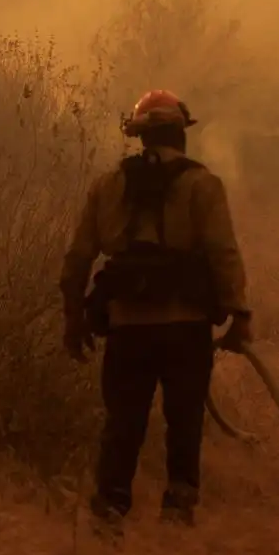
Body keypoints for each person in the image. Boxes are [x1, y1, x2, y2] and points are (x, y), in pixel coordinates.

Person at [59, 89, 253, 531]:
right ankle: (177, 509)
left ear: (140, 137)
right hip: (186, 329)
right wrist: (239, 315)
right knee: (184, 420)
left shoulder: (108, 186)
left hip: (127, 327)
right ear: (180, 133)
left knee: (123, 421)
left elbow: (78, 257)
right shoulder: (203, 185)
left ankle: (109, 511)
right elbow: (223, 253)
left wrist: (73, 317)